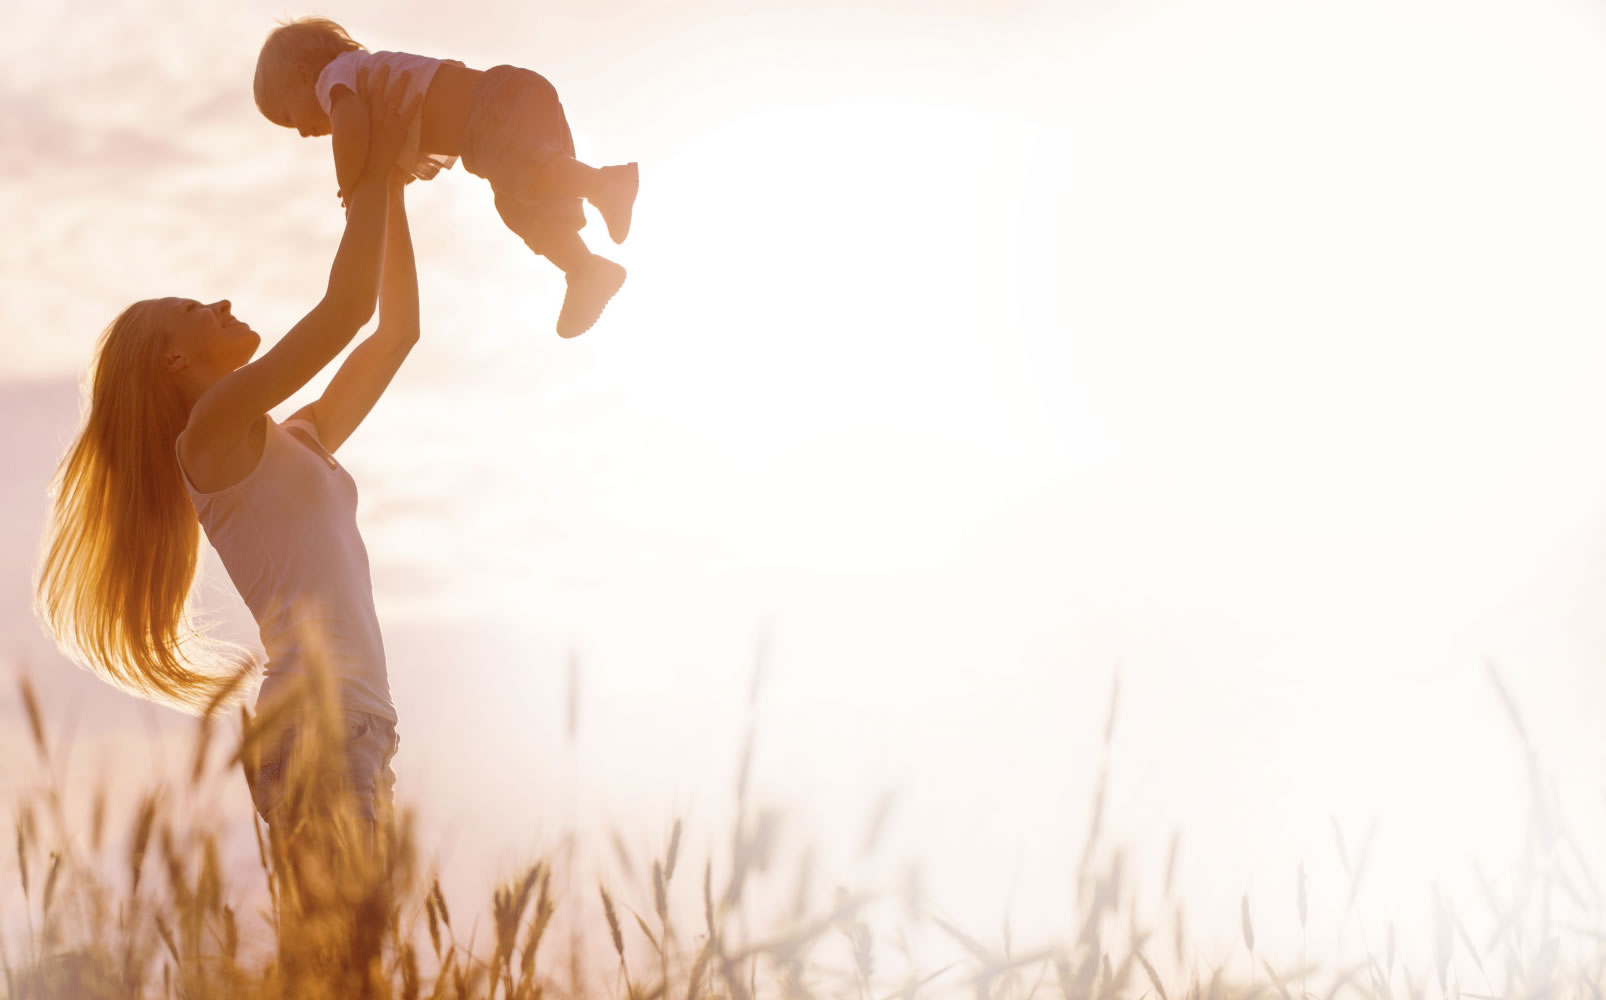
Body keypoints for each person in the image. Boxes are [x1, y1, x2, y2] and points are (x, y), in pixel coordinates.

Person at [36, 65, 423, 856]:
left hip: (359, 725)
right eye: (192, 313)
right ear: (173, 364)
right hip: (318, 725)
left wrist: (392, 182)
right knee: (341, 973)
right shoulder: (208, 435)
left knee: (353, 974)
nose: (217, 304)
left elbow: (394, 333)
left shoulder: (298, 441)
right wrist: (365, 173)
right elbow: (346, 312)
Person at [253, 16, 639, 339]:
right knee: (521, 203)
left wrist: (351, 184)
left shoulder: (335, 78)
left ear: (305, 76)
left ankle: (605, 185)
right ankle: (585, 269)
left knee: (526, 174)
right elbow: (399, 144)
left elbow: (349, 127)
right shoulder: (373, 83)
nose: (301, 132)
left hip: (496, 103)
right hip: (504, 109)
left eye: (290, 118)